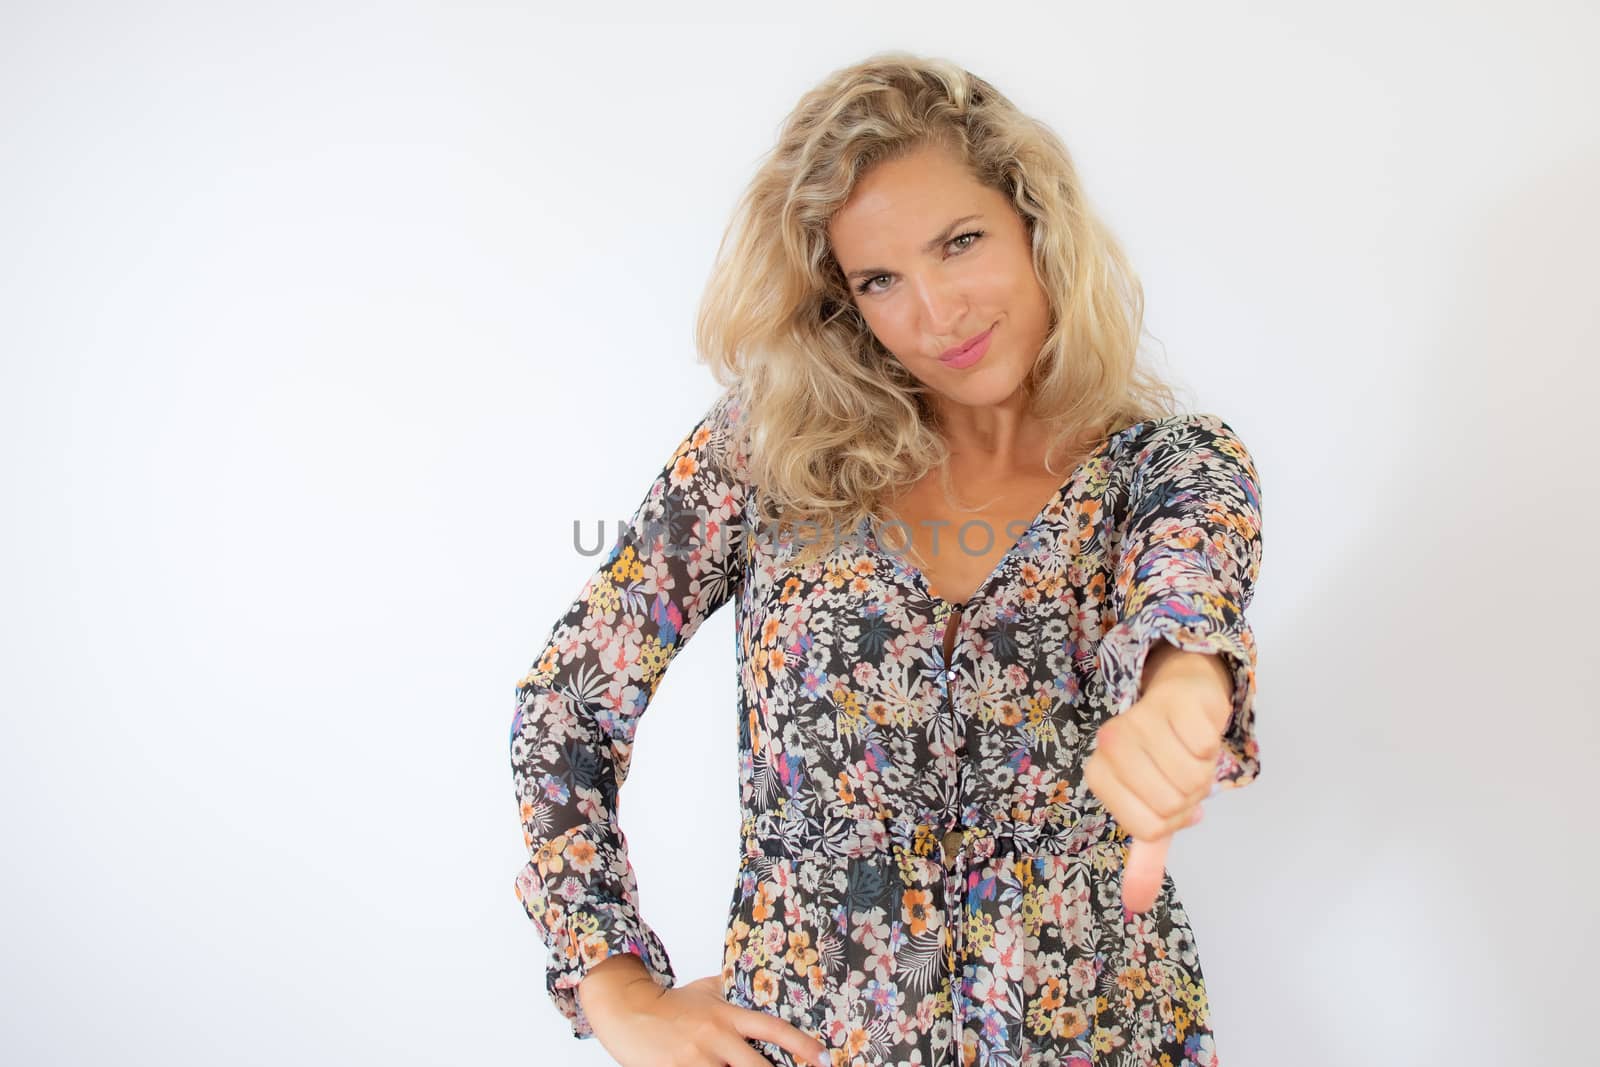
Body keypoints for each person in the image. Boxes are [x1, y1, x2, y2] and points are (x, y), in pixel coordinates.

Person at [509, 51, 1265, 1067]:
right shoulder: (763, 456)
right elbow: (569, 701)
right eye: (880, 278)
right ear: (842, 300)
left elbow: (1188, 594)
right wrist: (613, 985)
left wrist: (1182, 693)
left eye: (960, 242)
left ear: (1038, 224)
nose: (935, 312)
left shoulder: (1165, 468)